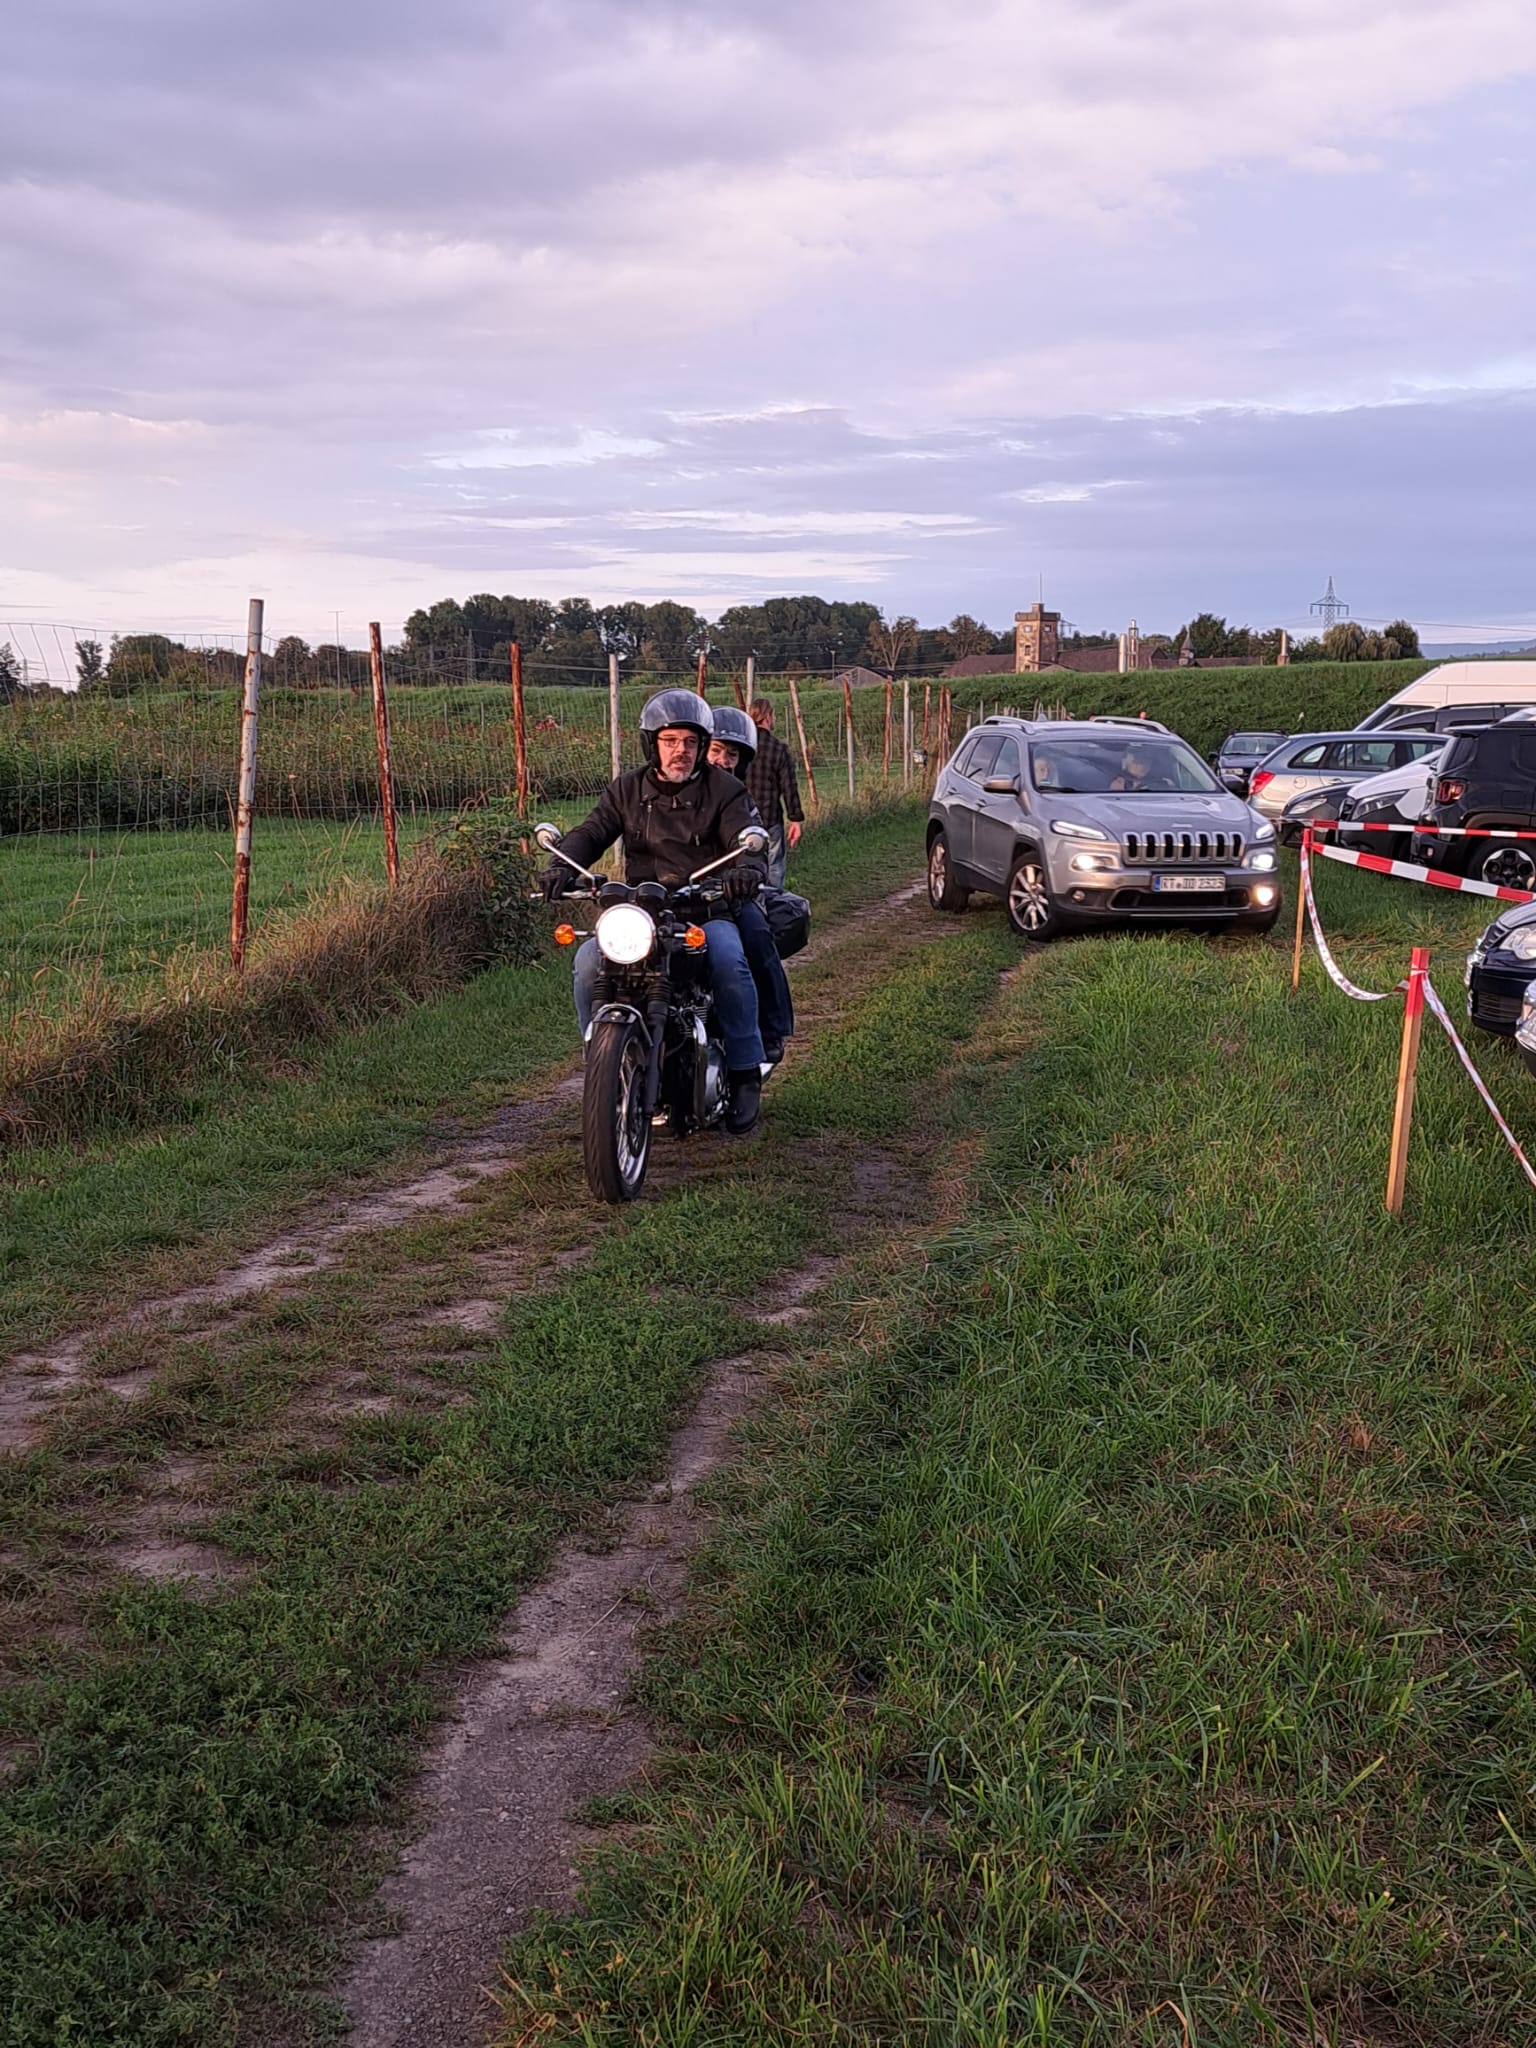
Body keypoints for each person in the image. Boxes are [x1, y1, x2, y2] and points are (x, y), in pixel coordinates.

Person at [541, 689, 767, 1133]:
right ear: (652, 744)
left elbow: (746, 834)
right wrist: (562, 866)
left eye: (690, 742)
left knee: (728, 960)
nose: (680, 750)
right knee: (588, 963)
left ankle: (745, 1071)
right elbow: (592, 832)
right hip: (640, 912)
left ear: (702, 746)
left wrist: (745, 869)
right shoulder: (626, 789)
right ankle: (601, 1064)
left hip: (703, 910)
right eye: (670, 740)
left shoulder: (725, 790)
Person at [707, 704, 796, 1065]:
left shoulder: (738, 797)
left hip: (729, 895)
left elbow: (752, 839)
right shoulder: (665, 790)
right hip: (670, 899)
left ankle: (771, 1028)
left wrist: (746, 872)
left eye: (732, 755)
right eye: (716, 750)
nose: (723, 761)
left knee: (757, 934)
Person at [745, 698, 805, 889]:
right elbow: (789, 786)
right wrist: (795, 819)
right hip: (770, 817)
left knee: (745, 864)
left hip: (742, 819)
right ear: (768, 717)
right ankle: (772, 900)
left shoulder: (742, 747)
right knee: (775, 866)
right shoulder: (778, 748)